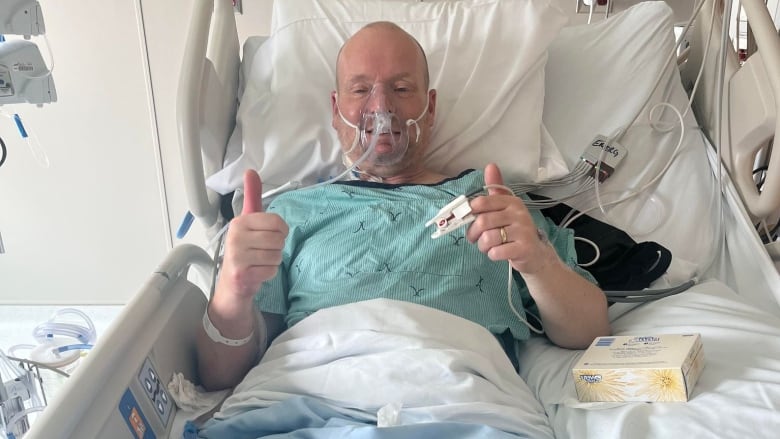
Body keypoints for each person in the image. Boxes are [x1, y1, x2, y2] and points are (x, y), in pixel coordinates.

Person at [196, 21, 611, 392]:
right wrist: (232, 295)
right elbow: (220, 377)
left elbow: (589, 330)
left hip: (462, 405)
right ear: (336, 111)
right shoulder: (288, 215)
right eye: (360, 90)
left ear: (429, 109)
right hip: (315, 406)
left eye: (400, 88)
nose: (381, 107)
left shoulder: (493, 203)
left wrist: (537, 263)